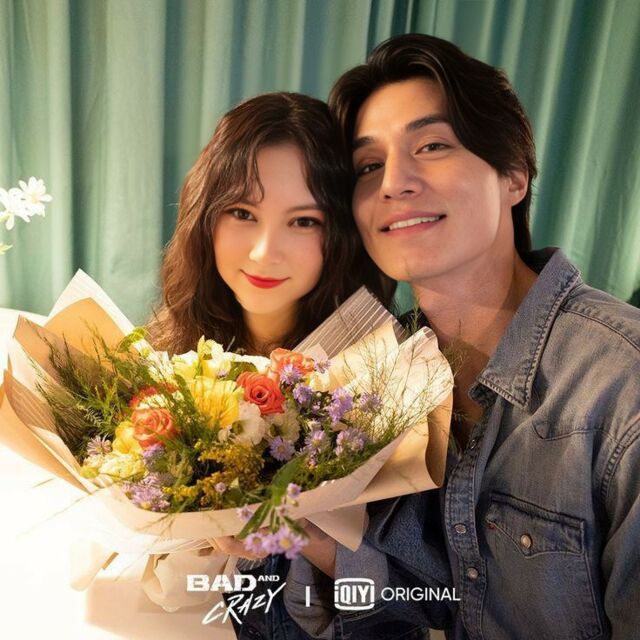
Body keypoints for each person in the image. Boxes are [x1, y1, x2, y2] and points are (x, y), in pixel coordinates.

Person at [283, 33, 640, 640]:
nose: (393, 183)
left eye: (431, 145)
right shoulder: (383, 376)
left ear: (514, 175)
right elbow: (443, 600)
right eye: (369, 166)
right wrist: (304, 535)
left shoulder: (621, 387)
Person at [147, 91, 396, 640]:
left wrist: (301, 534)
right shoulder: (173, 344)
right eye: (242, 213)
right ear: (206, 217)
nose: (264, 251)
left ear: (339, 233)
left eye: (303, 221)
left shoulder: (381, 380)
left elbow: (406, 598)